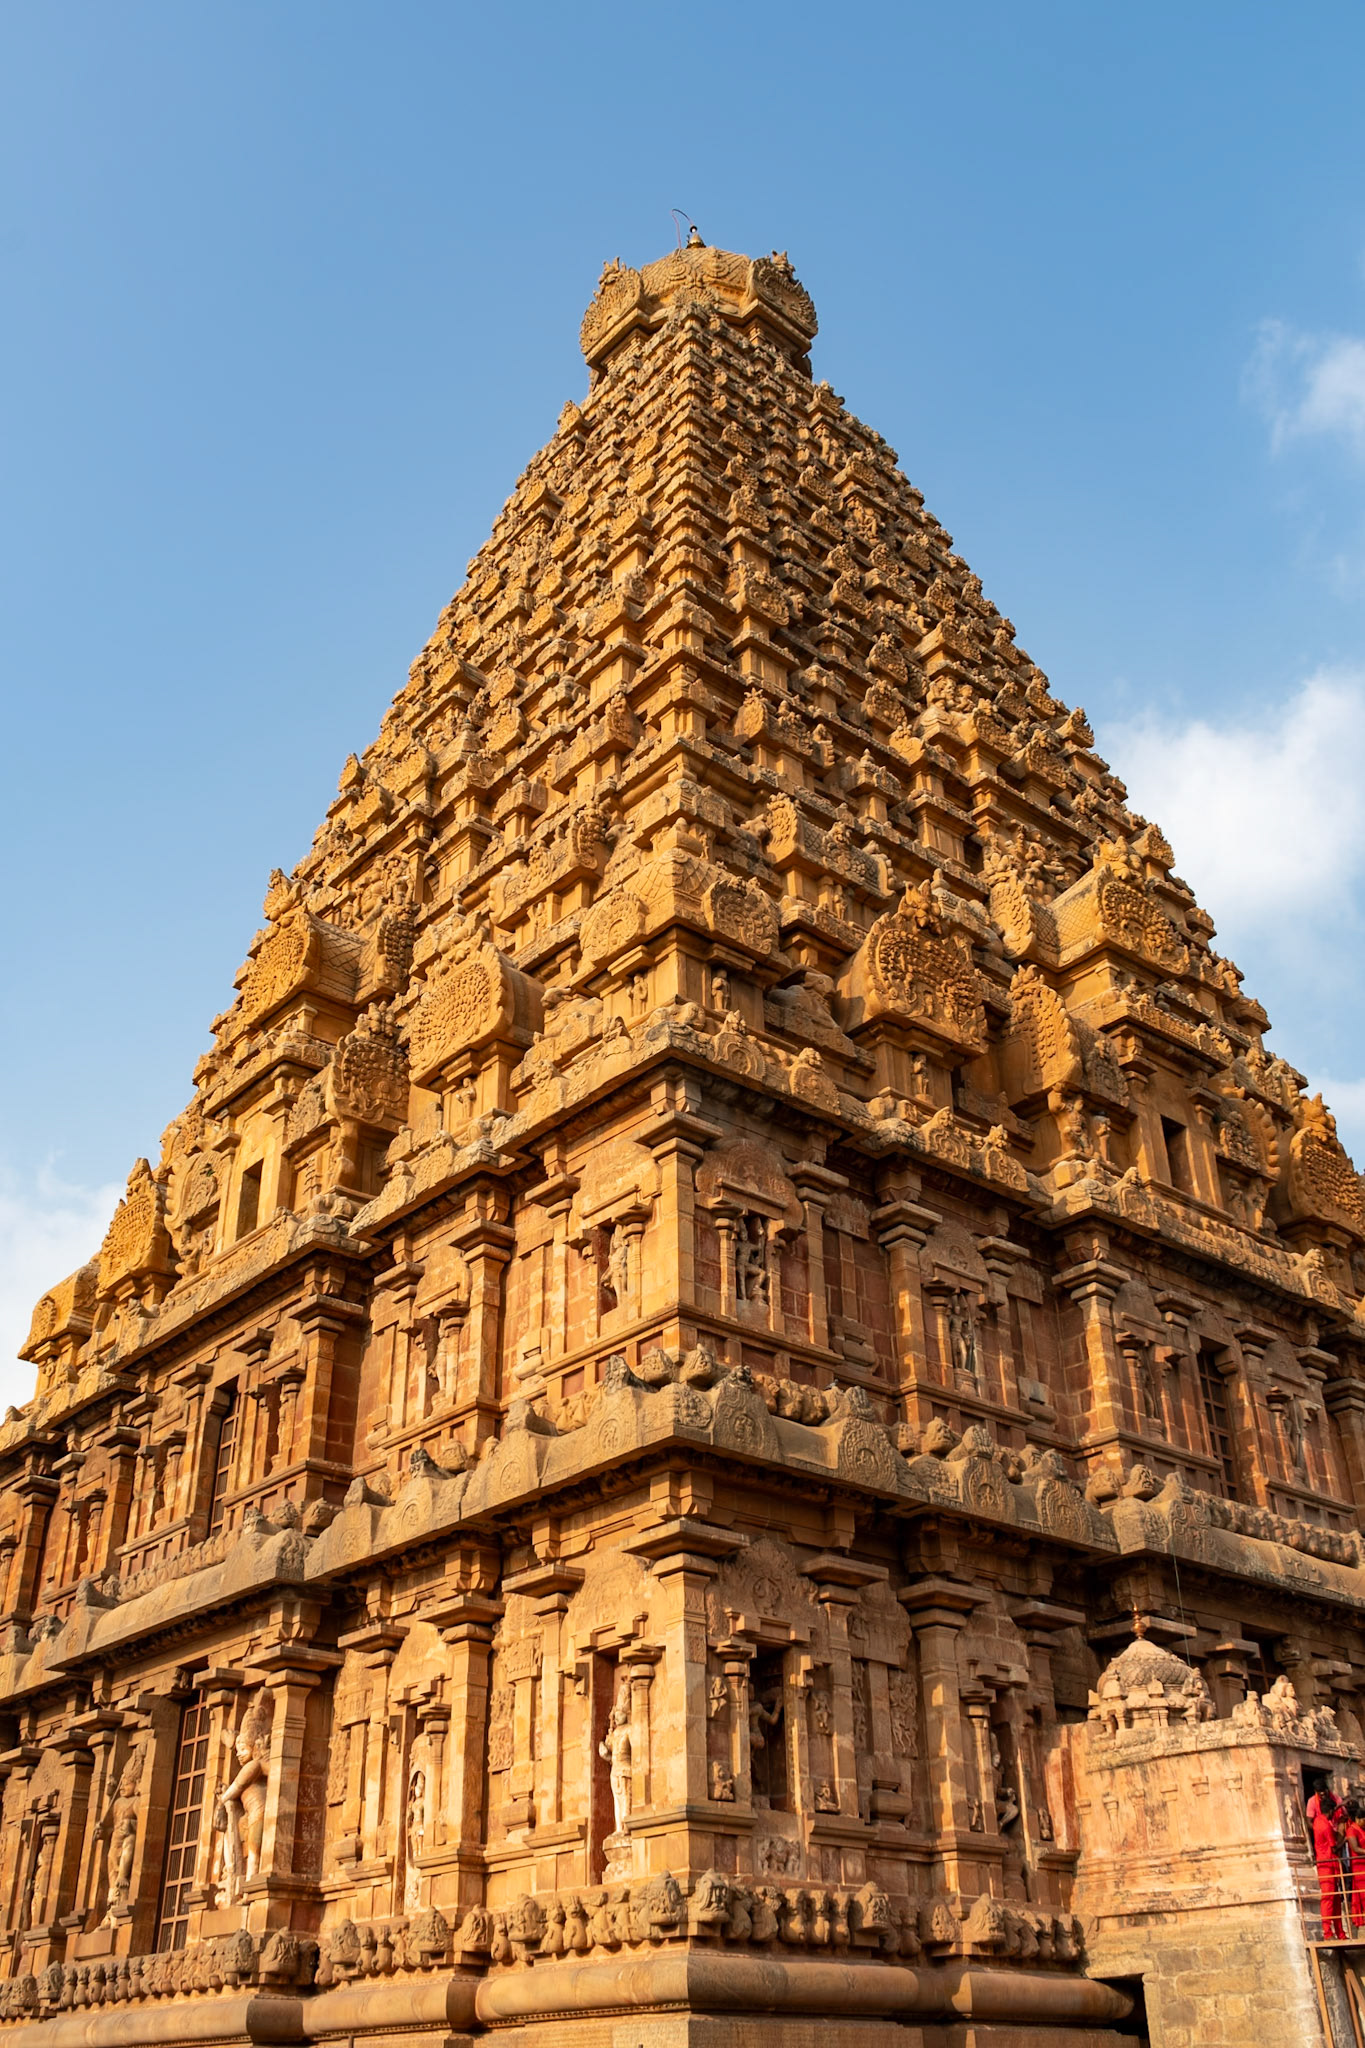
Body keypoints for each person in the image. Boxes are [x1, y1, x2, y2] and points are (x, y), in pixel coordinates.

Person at [1309, 1784, 1347, 1940]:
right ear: (1330, 1811)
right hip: (1327, 1864)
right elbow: (1334, 1848)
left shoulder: (1318, 1821)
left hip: (1329, 1864)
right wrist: (1344, 1839)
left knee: (1336, 1898)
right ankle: (1328, 1932)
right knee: (1329, 1898)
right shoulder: (1325, 1825)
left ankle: (1340, 1933)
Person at [1346, 1802, 1365, 1935]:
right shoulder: (1352, 1829)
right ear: (1358, 1819)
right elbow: (1355, 1848)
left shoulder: (1362, 1829)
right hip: (1358, 1866)